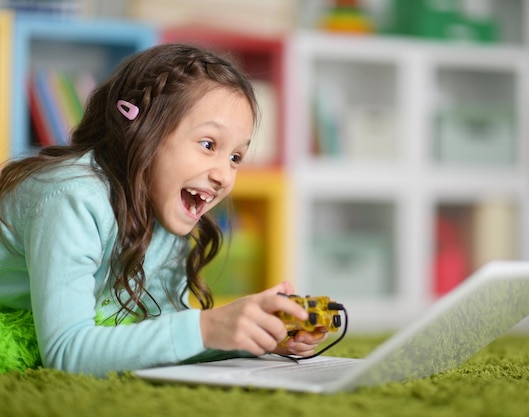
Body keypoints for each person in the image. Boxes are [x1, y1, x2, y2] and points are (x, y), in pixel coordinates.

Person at [0, 43, 327, 376]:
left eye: (235, 158)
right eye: (208, 144)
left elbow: (162, 332)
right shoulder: (73, 198)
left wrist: (250, 336)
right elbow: (66, 353)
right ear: (141, 131)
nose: (224, 175)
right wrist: (207, 327)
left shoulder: (165, 205)